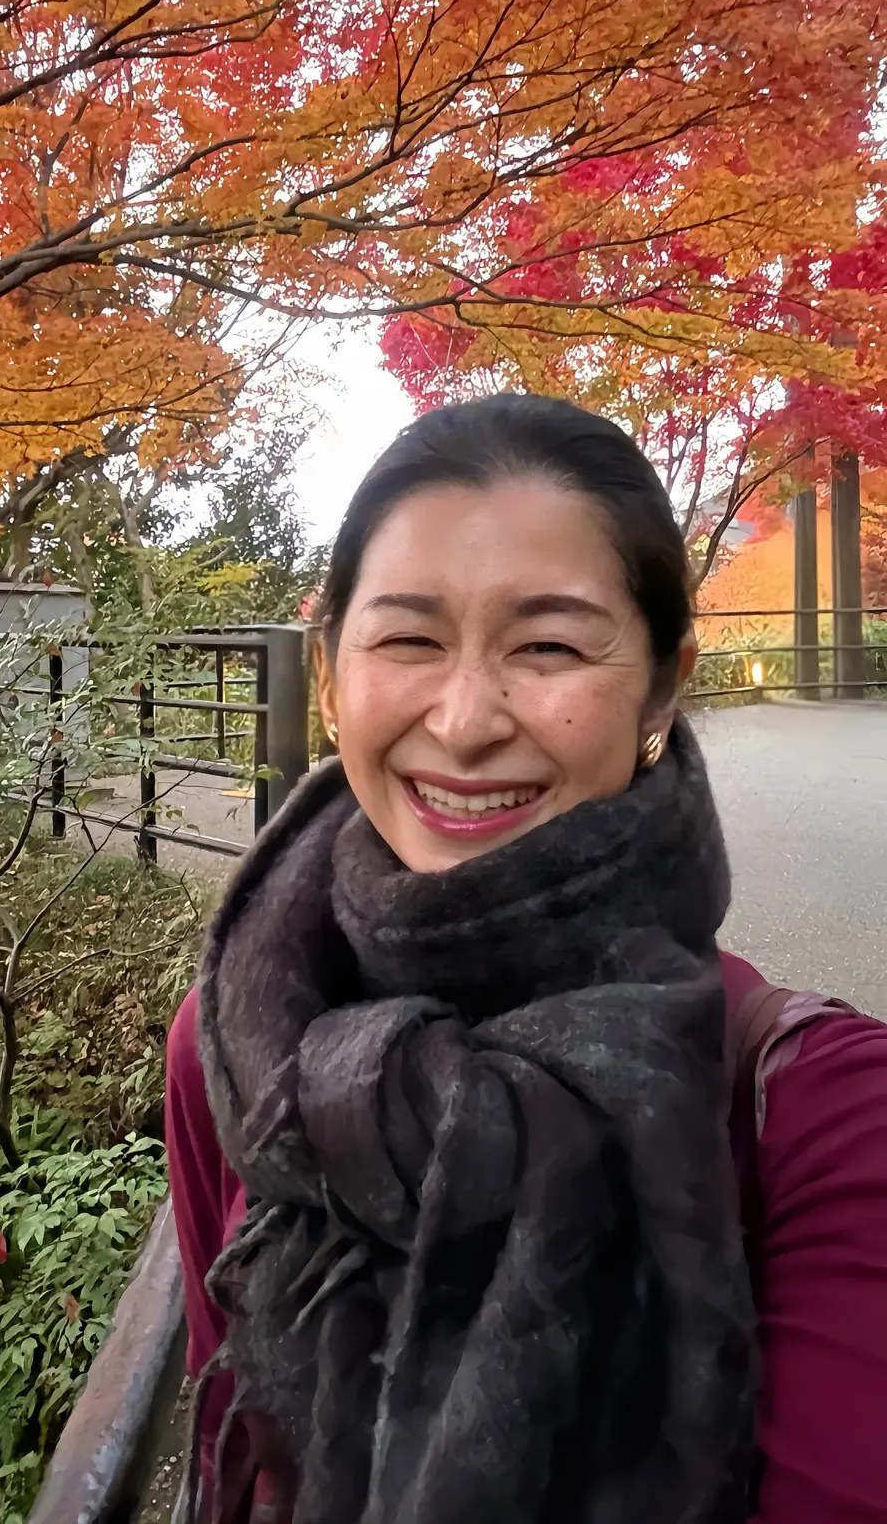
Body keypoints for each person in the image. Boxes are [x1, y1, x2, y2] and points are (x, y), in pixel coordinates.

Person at [165, 396, 887, 1524]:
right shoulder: (244, 1035)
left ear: (662, 682)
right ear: (331, 667)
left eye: (548, 645)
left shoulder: (827, 1118)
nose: (463, 721)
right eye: (408, 638)